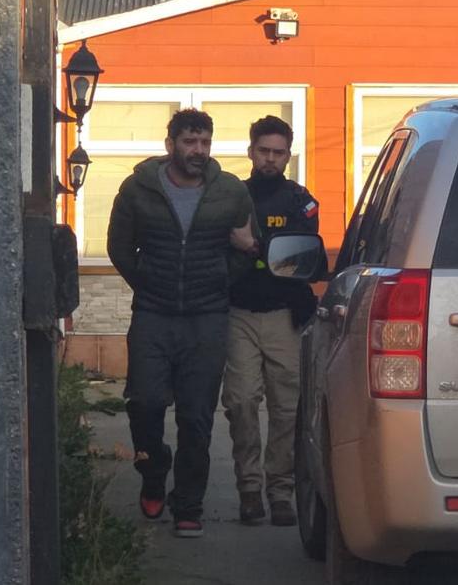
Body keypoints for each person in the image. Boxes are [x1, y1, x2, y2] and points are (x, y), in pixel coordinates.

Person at [107, 108, 256, 538]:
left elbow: (249, 247)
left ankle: (189, 505)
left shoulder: (230, 191)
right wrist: (148, 281)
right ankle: (153, 471)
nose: (198, 150)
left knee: (196, 417)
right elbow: (119, 247)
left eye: (205, 142)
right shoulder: (138, 189)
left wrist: (220, 279)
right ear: (170, 144)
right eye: (190, 142)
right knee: (144, 403)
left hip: (206, 318)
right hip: (153, 315)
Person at [222, 115, 321, 527]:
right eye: (263, 151)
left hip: (284, 313)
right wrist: (261, 251)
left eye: (278, 153)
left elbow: (297, 257)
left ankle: (280, 492)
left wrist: (252, 247)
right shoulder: (232, 197)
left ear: (287, 156)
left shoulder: (301, 201)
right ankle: (249, 489)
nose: (270, 159)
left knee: (287, 408)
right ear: (251, 152)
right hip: (239, 312)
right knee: (241, 401)